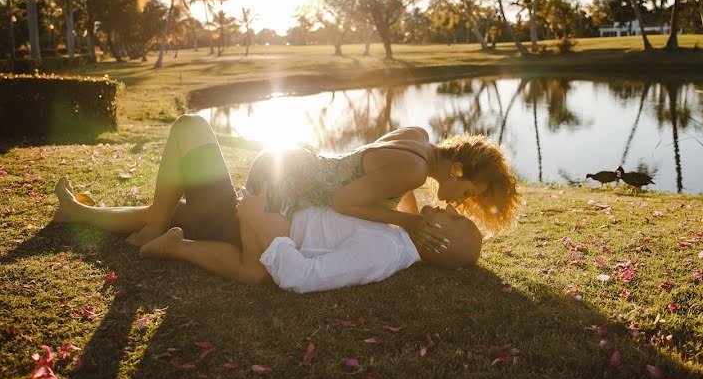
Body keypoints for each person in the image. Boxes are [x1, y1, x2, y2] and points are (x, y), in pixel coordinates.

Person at [51, 114, 518, 285]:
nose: (459, 203)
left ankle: (86, 214)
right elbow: (343, 200)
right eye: (468, 194)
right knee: (191, 128)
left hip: (289, 175)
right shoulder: (414, 170)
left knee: (191, 217)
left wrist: (411, 227)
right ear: (459, 170)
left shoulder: (418, 140)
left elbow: (391, 193)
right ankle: (158, 232)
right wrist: (413, 228)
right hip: (284, 190)